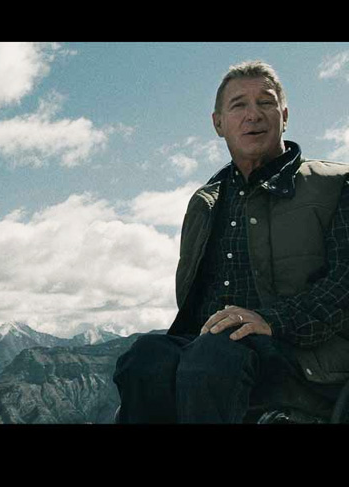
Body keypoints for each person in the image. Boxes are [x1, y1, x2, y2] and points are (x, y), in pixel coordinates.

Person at [113, 60, 349, 423]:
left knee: (214, 354)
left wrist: (270, 320)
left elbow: (343, 286)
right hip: (208, 358)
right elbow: (192, 303)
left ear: (284, 115)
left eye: (266, 102)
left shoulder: (336, 185)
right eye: (239, 105)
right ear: (218, 123)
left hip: (302, 357)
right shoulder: (206, 203)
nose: (253, 115)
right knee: (144, 358)